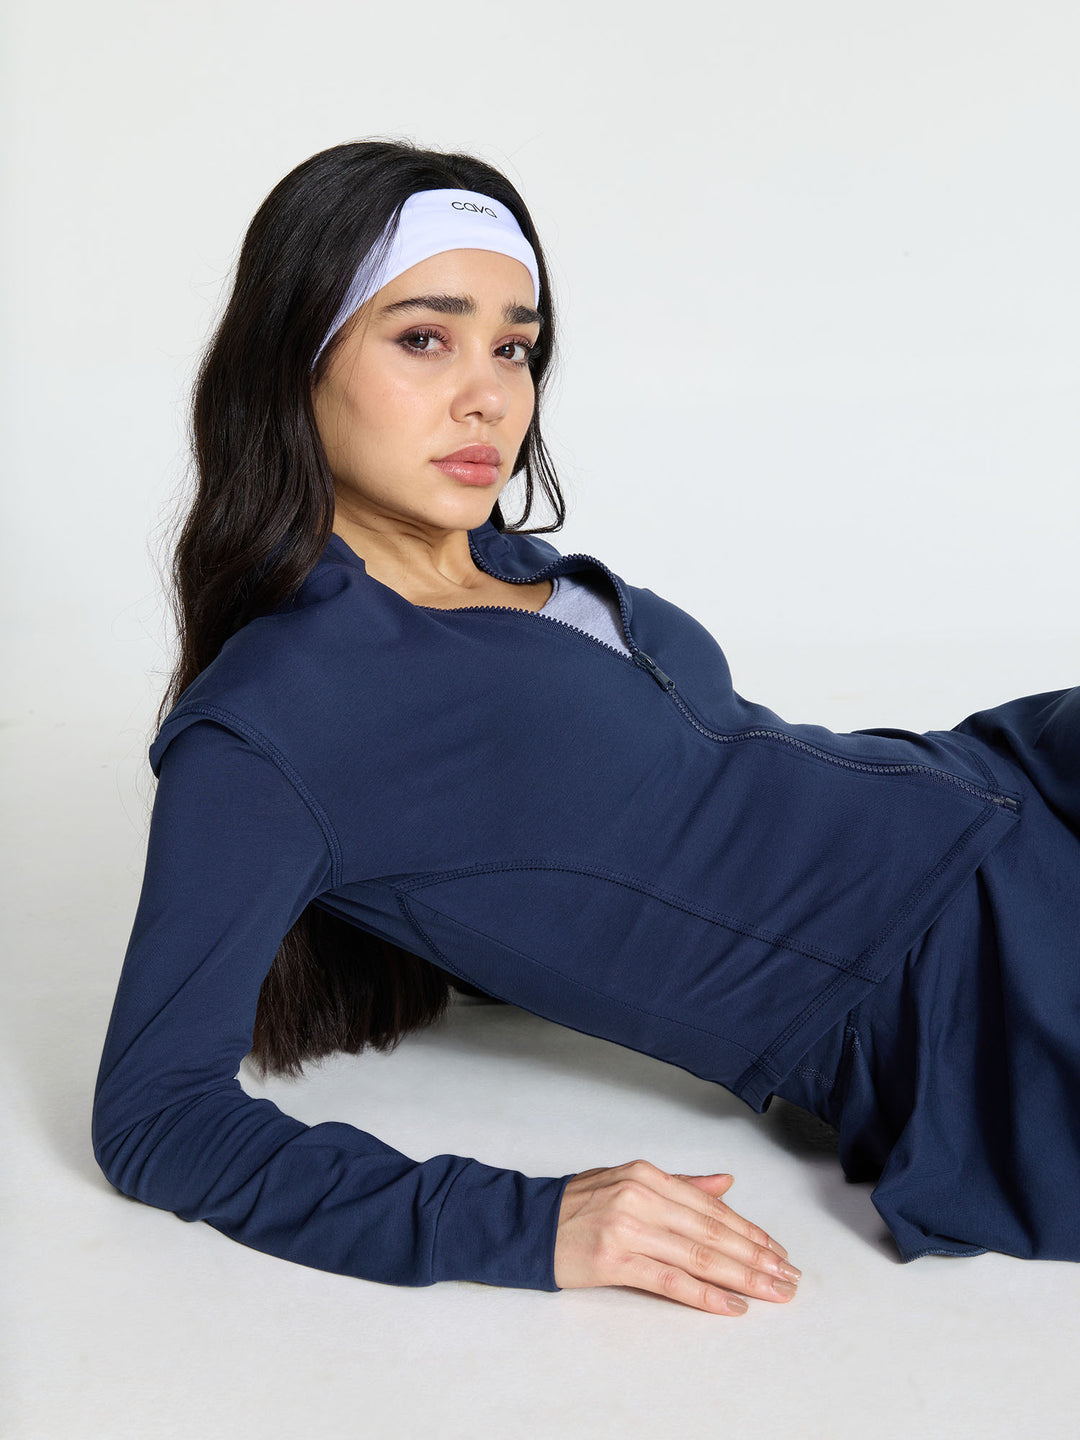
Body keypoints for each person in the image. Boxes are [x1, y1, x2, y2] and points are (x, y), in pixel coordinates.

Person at [92, 139, 1080, 1318]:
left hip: (1014, 776)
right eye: (425, 338)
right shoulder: (274, 718)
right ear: (290, 357)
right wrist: (523, 1222)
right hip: (983, 988)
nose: (490, 395)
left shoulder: (506, 563)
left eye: (513, 347)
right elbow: (155, 1114)